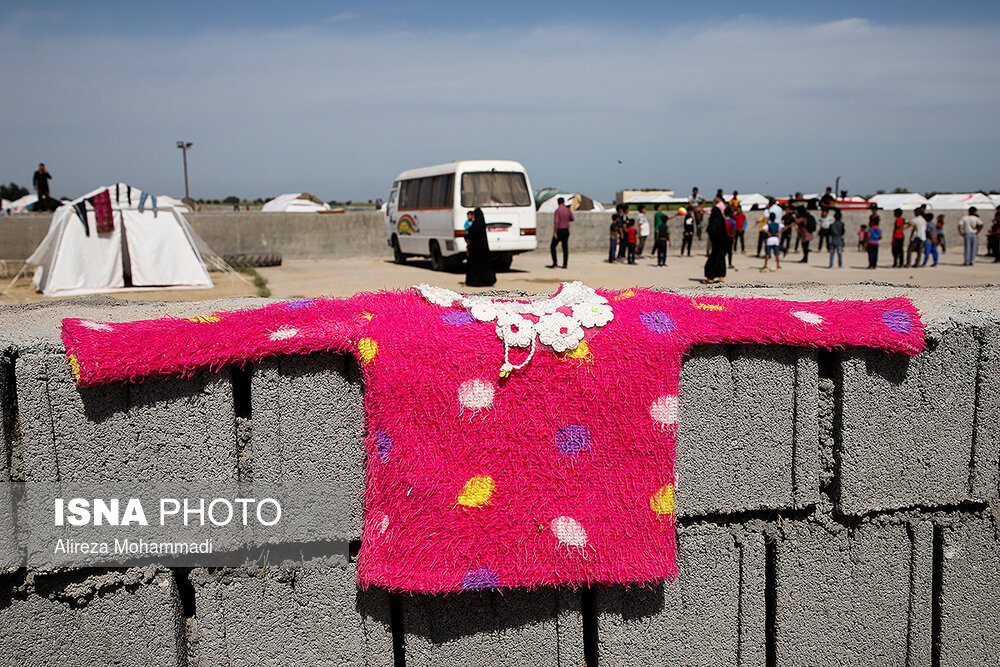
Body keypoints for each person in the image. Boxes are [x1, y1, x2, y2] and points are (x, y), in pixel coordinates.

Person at [464, 208, 496, 287]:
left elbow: (470, 234)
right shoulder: (481, 224)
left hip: (475, 250)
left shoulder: (475, 226)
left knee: (474, 265)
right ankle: (486, 280)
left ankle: (475, 280)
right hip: (483, 250)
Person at [702, 196, 728, 283]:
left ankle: (711, 277)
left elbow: (713, 230)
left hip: (716, 244)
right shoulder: (721, 220)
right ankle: (721, 276)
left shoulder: (714, 221)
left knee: (714, 258)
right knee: (721, 258)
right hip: (722, 243)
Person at [549, 197, 573, 269]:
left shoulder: (557, 211)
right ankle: (565, 264)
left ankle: (555, 263)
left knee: (553, 246)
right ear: (563, 202)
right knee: (565, 248)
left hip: (559, 230)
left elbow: (556, 222)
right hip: (566, 230)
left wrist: (555, 232)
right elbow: (572, 218)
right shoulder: (568, 210)